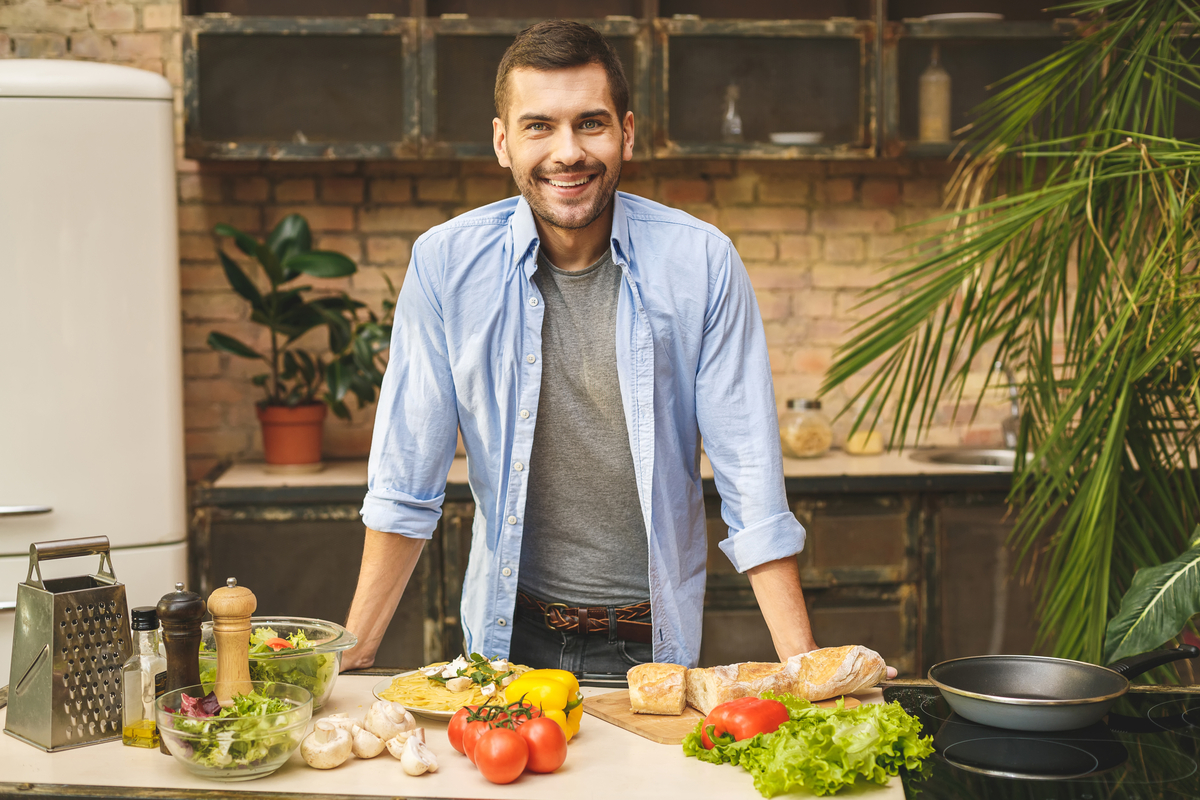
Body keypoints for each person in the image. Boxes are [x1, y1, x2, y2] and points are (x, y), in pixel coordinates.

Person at [343, 20, 839, 676]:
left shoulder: (701, 264)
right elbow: (406, 481)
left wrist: (804, 662)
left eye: (591, 123)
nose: (568, 152)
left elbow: (752, 483)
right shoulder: (446, 266)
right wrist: (354, 655)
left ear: (626, 133)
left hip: (646, 647)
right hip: (505, 637)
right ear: (503, 143)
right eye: (539, 126)